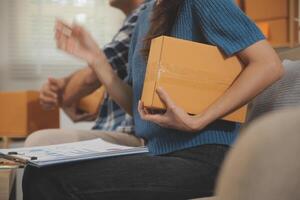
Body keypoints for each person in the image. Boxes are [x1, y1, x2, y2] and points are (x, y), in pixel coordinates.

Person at [22, 0, 284, 199]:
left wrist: (199, 120)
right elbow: (139, 108)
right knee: (39, 170)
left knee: (48, 180)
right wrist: (97, 61)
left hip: (206, 159)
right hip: (158, 153)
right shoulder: (146, 14)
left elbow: (269, 64)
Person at [25, 0, 146, 147]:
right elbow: (100, 70)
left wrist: (59, 93)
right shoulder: (135, 20)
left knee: (39, 142)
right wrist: (63, 84)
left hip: (130, 134)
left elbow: (92, 75)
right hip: (117, 130)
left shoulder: (143, 16)